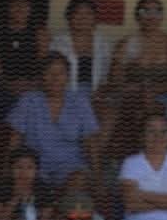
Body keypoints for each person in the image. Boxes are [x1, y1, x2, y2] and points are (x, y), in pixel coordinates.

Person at [7, 52, 99, 191]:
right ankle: (48, 198)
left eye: (61, 73)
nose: (55, 78)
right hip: (35, 166)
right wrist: (7, 172)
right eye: (49, 73)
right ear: (41, 76)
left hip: (70, 166)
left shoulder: (80, 102)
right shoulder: (28, 100)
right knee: (26, 179)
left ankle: (56, 199)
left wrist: (97, 176)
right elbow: (15, 139)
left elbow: (90, 143)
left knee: (78, 180)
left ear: (68, 77)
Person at [50, 0, 113, 95]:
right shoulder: (58, 42)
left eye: (88, 13)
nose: (83, 18)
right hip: (64, 96)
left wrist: (100, 93)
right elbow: (51, 75)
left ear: (95, 18)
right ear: (69, 17)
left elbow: (105, 77)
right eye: (77, 13)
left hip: (95, 97)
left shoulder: (103, 44)